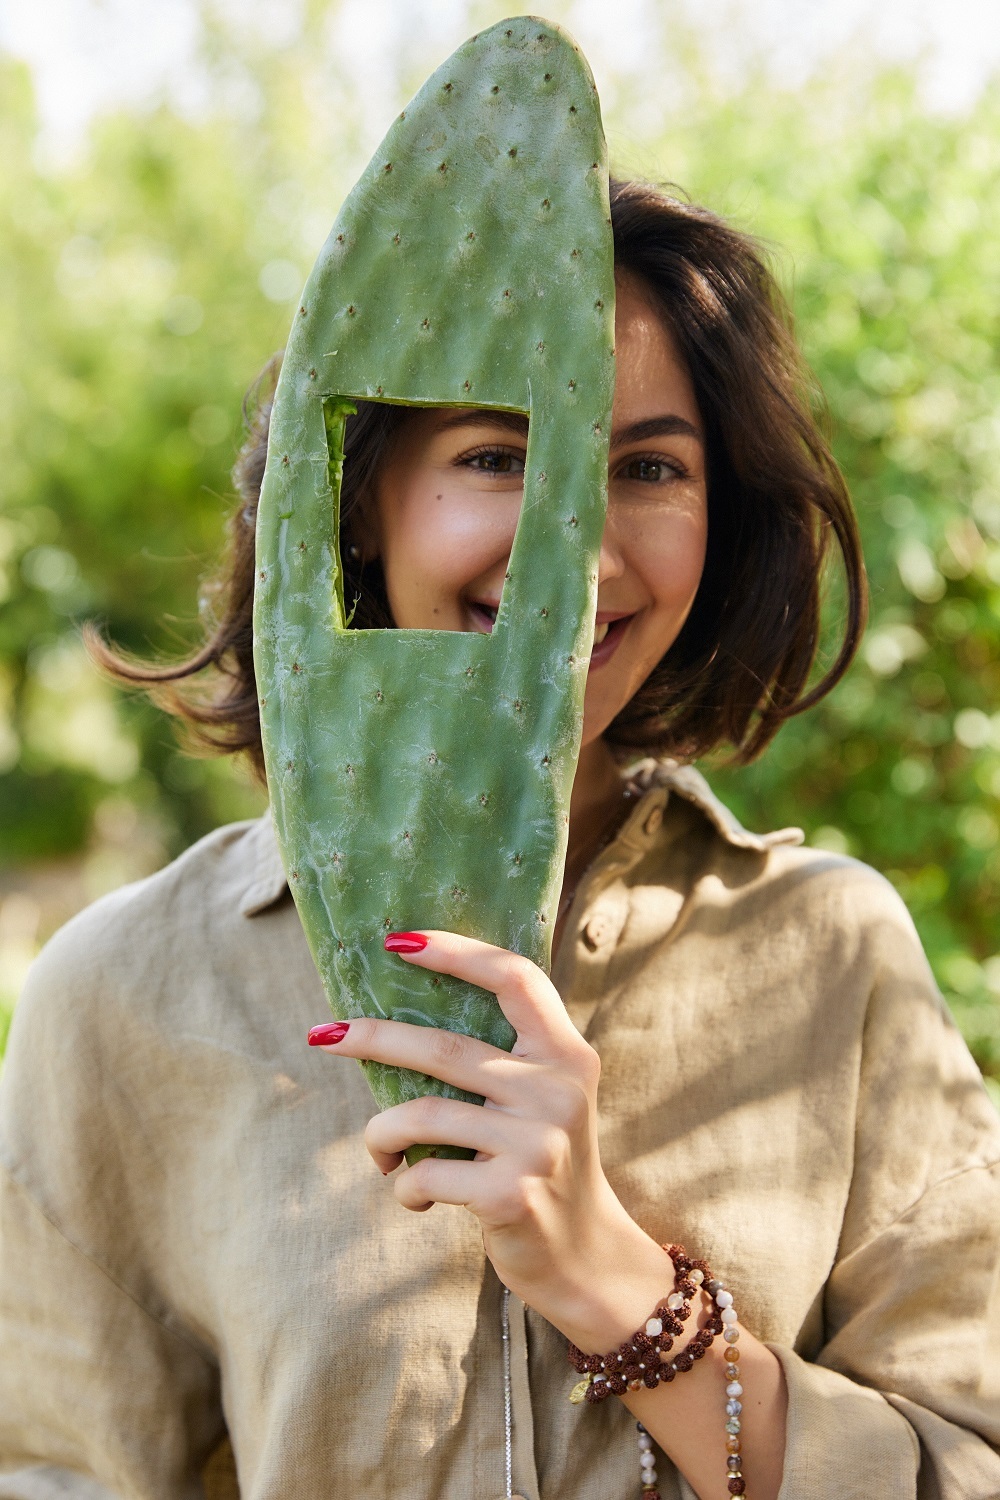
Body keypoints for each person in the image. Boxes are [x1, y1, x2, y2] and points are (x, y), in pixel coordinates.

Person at [0, 177, 997, 1500]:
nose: (574, 553)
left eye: (647, 467)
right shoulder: (122, 994)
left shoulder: (833, 953)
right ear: (354, 496)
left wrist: (620, 1287)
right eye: (500, 455)